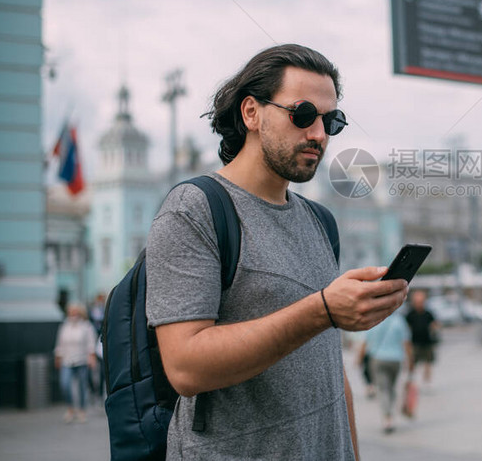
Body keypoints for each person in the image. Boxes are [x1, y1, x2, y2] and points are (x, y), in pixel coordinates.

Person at [145, 44, 409, 460]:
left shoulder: (320, 221)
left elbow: (331, 374)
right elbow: (184, 366)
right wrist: (322, 310)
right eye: (303, 115)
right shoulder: (195, 209)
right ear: (251, 113)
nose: (319, 134)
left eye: (331, 121)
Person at [357, 310, 412, 434]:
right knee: (391, 387)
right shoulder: (399, 321)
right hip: (396, 360)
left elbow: (365, 343)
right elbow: (406, 343)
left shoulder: (373, 320)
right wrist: (410, 361)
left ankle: (387, 417)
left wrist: (359, 359)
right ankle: (390, 414)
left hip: (378, 359)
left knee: (382, 388)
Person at [53, 302, 97, 423]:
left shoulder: (86, 326)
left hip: (82, 360)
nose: (72, 313)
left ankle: (82, 410)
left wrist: (91, 357)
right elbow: (60, 342)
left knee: (82, 387)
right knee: (65, 384)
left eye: (75, 311)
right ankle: (70, 408)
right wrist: (58, 356)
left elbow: (91, 342)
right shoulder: (65, 325)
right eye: (71, 311)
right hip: (67, 360)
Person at [405, 290, 440, 385]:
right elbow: (406, 327)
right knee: (412, 361)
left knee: (428, 363)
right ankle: (411, 379)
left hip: (427, 341)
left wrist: (434, 329)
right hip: (414, 342)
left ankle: (427, 381)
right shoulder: (410, 314)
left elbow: (435, 324)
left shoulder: (428, 313)